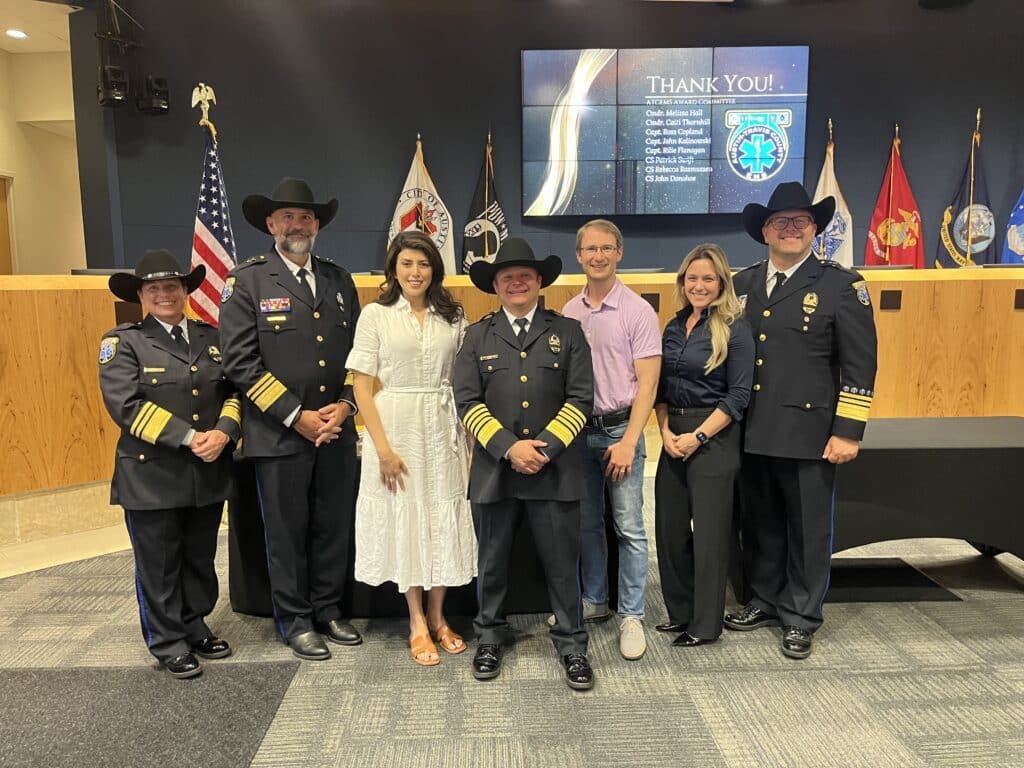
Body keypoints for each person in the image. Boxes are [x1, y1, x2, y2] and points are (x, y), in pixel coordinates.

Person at [725, 181, 878, 659]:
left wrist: (848, 430)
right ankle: (765, 600)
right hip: (752, 429)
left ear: (814, 229)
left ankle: (801, 615)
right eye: (780, 222)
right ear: (764, 231)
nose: (790, 229)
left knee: (809, 529)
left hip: (811, 433)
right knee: (762, 523)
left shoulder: (841, 284)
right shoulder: (742, 284)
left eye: (800, 222)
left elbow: (860, 364)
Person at [219, 177, 362, 661]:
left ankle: (327, 608)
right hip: (278, 435)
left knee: (332, 525)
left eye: (305, 217)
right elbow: (239, 363)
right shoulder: (247, 280)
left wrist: (345, 405)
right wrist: (297, 415)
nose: (296, 225)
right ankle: (296, 620)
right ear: (270, 224)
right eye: (286, 217)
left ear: (317, 224)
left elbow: (359, 357)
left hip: (336, 431)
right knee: (285, 531)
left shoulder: (339, 280)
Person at [454, 238, 596, 691]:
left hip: (555, 471)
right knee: (492, 563)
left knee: (561, 565)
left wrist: (543, 448)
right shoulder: (476, 335)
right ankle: (490, 636)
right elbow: (466, 400)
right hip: (495, 471)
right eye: (507, 276)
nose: (517, 282)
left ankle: (572, 645)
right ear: (495, 285)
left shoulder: (569, 331)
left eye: (525, 276)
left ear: (539, 283)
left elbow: (581, 398)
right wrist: (509, 447)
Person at [98, 249, 240, 679]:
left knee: (199, 555)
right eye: (154, 288)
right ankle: (166, 641)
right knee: (159, 562)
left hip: (207, 468)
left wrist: (225, 432)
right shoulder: (123, 343)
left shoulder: (212, 337)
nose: (164, 295)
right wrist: (190, 437)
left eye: (172, 287)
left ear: (185, 291)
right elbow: (126, 405)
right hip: (152, 474)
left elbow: (235, 391)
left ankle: (194, 624)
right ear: (141, 295)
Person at [347, 231, 477, 667]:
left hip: (443, 427)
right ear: (394, 268)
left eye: (423, 264)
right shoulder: (375, 316)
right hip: (395, 429)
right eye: (406, 264)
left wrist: (470, 440)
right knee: (407, 520)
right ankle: (417, 621)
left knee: (442, 516)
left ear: (434, 269)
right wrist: (381, 449)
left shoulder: (453, 315)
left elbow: (464, 383)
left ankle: (440, 616)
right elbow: (361, 387)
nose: (415, 272)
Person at [561, 219, 661, 661]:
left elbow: (648, 385)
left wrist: (629, 440)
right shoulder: (568, 313)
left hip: (622, 429)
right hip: (580, 431)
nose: (598, 256)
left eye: (606, 248)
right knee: (587, 522)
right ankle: (596, 600)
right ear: (578, 256)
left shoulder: (638, 311)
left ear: (619, 252)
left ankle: (632, 615)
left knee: (629, 527)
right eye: (590, 249)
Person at [654, 243, 754, 648]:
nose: (699, 285)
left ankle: (705, 624)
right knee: (670, 529)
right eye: (692, 278)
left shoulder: (735, 328)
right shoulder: (674, 326)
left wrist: (697, 437)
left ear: (722, 283)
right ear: (683, 282)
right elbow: (658, 388)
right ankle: (680, 613)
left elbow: (738, 396)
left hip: (713, 437)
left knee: (711, 534)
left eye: (707, 279)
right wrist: (663, 433)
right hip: (672, 434)